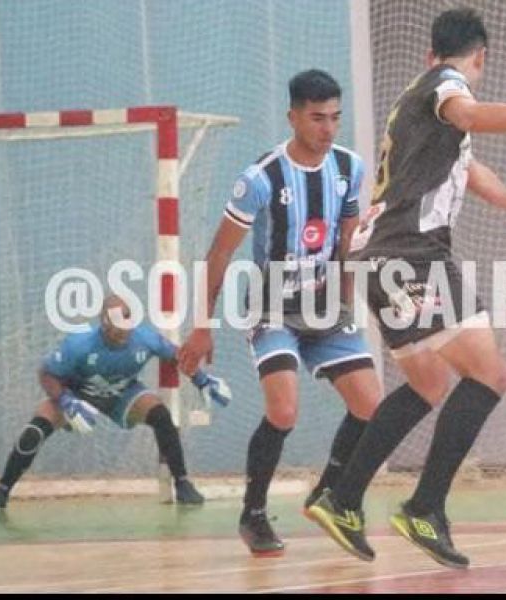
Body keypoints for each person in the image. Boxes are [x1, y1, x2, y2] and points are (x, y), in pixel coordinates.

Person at [305, 7, 506, 569]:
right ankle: (423, 507)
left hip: (376, 254)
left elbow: (466, 169)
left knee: (428, 384)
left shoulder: (418, 98)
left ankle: (341, 497)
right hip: (410, 254)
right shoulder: (448, 86)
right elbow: (469, 114)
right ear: (480, 57)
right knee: (491, 374)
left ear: (429, 51)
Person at [177, 69, 381, 557]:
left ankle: (327, 494)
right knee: (284, 410)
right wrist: (201, 326)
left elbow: (347, 243)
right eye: (316, 118)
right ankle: (252, 514)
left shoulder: (349, 167)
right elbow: (218, 255)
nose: (328, 128)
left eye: (334, 117)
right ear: (293, 117)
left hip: (327, 308)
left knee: (373, 407)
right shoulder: (260, 178)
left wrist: (347, 300)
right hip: (273, 309)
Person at [0, 295, 231, 513]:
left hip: (123, 395)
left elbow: (177, 355)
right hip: (78, 395)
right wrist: (66, 400)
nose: (121, 334)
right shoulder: (79, 344)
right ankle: (2, 491)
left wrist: (202, 380)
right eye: (114, 330)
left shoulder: (145, 338)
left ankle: (183, 483)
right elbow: (46, 373)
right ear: (103, 326)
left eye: (125, 328)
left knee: (161, 416)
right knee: (35, 429)